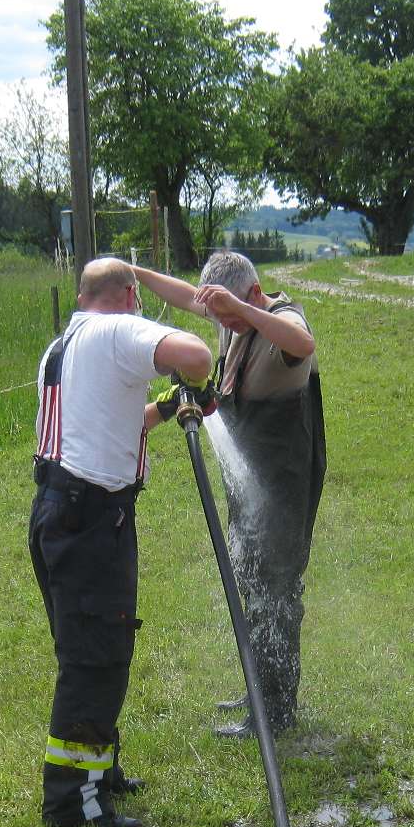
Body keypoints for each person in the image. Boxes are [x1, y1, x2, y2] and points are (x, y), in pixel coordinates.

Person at [31, 256, 214, 827]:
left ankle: (98, 773)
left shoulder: (64, 345)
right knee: (94, 661)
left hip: (60, 510)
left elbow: (113, 422)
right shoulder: (118, 330)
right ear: (130, 297)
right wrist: (192, 378)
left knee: (90, 649)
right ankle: (73, 806)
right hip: (91, 519)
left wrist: (169, 406)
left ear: (82, 296)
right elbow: (198, 355)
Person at [133, 252, 324, 738]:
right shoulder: (234, 316)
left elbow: (304, 343)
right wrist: (133, 274)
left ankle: (275, 712)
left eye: (231, 314)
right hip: (250, 482)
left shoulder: (282, 318)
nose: (224, 325)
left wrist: (243, 312)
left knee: (277, 590)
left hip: (284, 481)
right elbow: (184, 295)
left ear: (254, 294)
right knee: (251, 580)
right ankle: (259, 688)